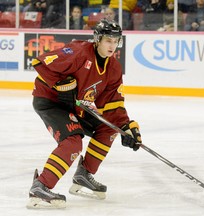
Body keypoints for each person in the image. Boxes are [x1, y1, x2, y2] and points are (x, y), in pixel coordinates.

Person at [26, 19, 142, 209]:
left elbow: (113, 105)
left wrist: (127, 127)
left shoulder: (113, 68)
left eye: (116, 41)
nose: (112, 45)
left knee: (109, 128)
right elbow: (41, 63)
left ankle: (83, 175)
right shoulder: (79, 52)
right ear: (97, 39)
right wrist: (60, 85)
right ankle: (41, 185)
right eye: (108, 41)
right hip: (51, 102)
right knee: (73, 141)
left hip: (77, 106)